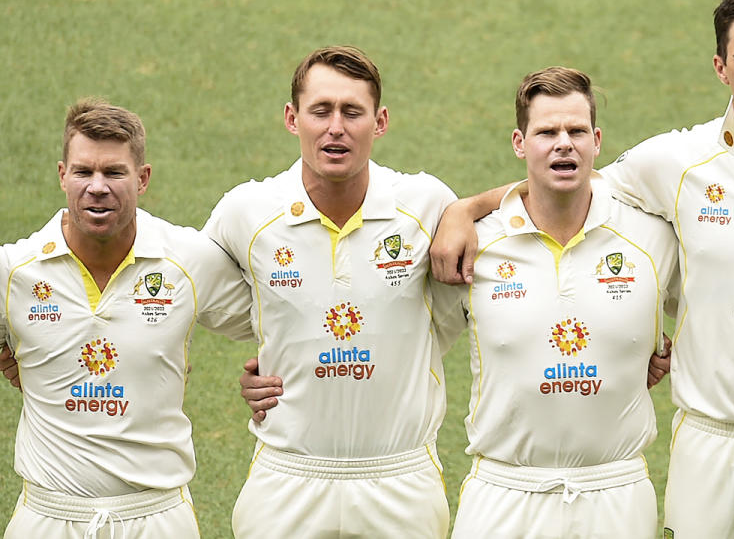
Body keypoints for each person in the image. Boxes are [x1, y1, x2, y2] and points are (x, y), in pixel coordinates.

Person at [429, 0, 734, 537]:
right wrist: (465, 208)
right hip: (710, 446)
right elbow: (569, 179)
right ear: (720, 67)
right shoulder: (675, 162)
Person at [202, 46, 458, 538]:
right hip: (287, 479)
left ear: (379, 122)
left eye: (352, 112)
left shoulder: (427, 205)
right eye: (320, 110)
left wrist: (469, 210)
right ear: (291, 118)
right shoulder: (247, 211)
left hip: (400, 482)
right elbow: (174, 285)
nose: (335, 127)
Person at [427, 66, 678, 538]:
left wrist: (662, 349)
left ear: (597, 140)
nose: (564, 142)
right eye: (547, 132)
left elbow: (714, 311)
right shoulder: (475, 245)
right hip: (503, 492)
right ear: (520, 143)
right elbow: (405, 342)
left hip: (617, 490)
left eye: (576, 130)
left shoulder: (651, 237)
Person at [0, 99, 254, 538]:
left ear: (143, 178)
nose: (97, 186)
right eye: (83, 172)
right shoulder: (14, 270)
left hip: (156, 516)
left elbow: (282, 313)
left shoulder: (188, 260)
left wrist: (272, 372)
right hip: (45, 516)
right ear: (63, 175)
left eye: (114, 172)